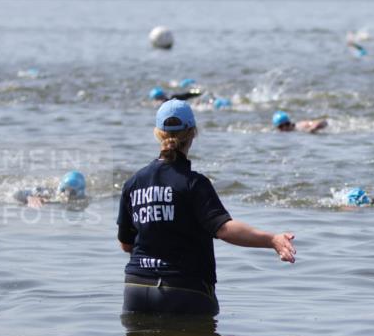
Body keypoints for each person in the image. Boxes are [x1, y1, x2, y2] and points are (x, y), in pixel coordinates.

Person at [118, 100, 296, 316]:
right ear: (192, 133)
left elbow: (126, 244)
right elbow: (223, 229)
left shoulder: (133, 183)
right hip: (184, 291)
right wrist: (271, 240)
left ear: (157, 134)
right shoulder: (194, 183)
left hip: (137, 289)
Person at [14, 170, 87, 208]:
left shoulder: (83, 201)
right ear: (59, 188)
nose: (66, 194)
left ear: (80, 193)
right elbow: (17, 194)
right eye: (63, 190)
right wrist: (29, 198)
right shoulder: (48, 193)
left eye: (72, 193)